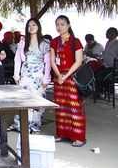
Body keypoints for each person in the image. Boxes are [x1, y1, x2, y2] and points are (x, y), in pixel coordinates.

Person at [50, 15, 86, 147]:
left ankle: (78, 137)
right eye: (57, 24)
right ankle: (62, 134)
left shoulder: (75, 42)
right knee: (60, 107)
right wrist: (59, 75)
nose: (59, 27)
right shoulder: (54, 41)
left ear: (68, 25)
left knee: (74, 107)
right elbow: (52, 61)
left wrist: (65, 76)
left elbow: (78, 62)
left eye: (62, 24)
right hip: (58, 78)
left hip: (71, 78)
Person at [13, 18, 51, 132]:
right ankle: (21, 125)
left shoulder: (45, 43)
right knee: (23, 99)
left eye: (34, 25)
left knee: (37, 99)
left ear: (38, 26)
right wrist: (16, 74)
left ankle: (34, 125)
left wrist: (46, 79)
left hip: (38, 75)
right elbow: (18, 59)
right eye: (29, 25)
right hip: (25, 74)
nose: (31, 27)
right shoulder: (23, 42)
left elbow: (48, 62)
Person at [95, 27, 118, 94]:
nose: (106, 34)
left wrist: (116, 68)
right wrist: (101, 59)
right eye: (107, 32)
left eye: (108, 32)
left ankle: (101, 92)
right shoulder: (108, 42)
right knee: (95, 72)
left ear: (114, 34)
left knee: (100, 75)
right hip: (106, 66)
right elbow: (106, 54)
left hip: (115, 68)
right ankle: (105, 90)